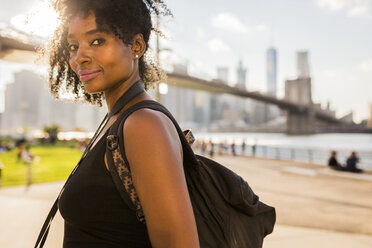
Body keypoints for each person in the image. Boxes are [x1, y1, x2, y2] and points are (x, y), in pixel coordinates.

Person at [46, 0, 199, 247]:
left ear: (137, 45)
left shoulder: (144, 125)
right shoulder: (117, 119)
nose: (79, 57)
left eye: (97, 41)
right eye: (73, 46)